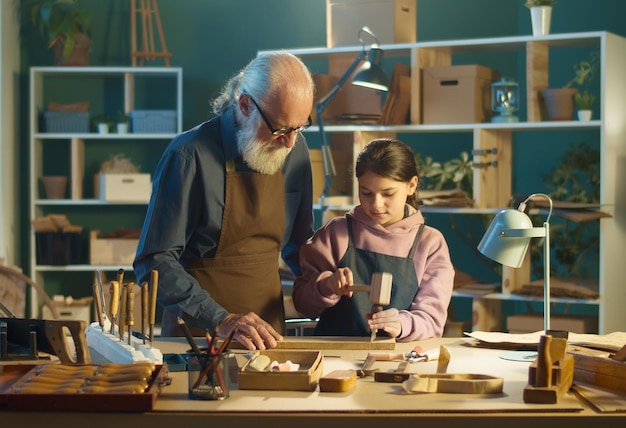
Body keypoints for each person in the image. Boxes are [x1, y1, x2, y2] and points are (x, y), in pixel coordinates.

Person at [133, 51, 316, 350]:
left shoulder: (295, 151)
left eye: (300, 127)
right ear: (245, 105)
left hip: (268, 335)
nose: (291, 141)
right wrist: (219, 318)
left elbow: (300, 245)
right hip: (197, 338)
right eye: (281, 129)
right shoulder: (189, 155)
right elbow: (153, 261)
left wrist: (324, 285)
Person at [292, 138, 455, 341]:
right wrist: (326, 286)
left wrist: (403, 324)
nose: (376, 204)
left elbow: (431, 321)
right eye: (366, 193)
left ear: (411, 185)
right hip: (334, 356)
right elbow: (302, 304)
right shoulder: (336, 233)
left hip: (397, 359)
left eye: (388, 194)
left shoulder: (430, 244)